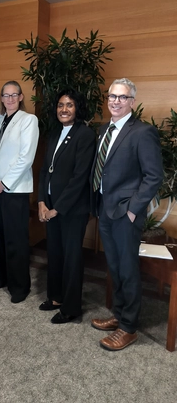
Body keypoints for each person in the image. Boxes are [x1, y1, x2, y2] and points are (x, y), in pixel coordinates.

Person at [90, 78, 163, 351]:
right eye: (112, 96)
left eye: (122, 97)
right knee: (115, 267)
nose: (115, 101)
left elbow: (154, 176)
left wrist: (133, 210)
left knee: (128, 270)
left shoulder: (142, 132)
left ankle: (129, 328)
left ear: (132, 101)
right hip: (104, 209)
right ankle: (119, 316)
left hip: (125, 214)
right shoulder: (103, 130)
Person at [38, 89, 96, 324]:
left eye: (69, 105)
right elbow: (44, 170)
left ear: (77, 108)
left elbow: (80, 177)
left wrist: (56, 209)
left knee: (71, 258)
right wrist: (42, 201)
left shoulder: (85, 135)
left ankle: (71, 308)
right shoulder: (54, 134)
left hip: (72, 209)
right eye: (61, 105)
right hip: (50, 205)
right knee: (55, 253)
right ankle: (56, 297)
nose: (64, 109)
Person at [0, 80, 39, 303]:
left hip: (14, 188)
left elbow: (26, 157)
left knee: (16, 238)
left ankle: (20, 287)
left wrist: (4, 183)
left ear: (21, 97)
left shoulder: (29, 120)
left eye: (14, 95)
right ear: (2, 98)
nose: (10, 99)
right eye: (6, 95)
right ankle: (3, 276)